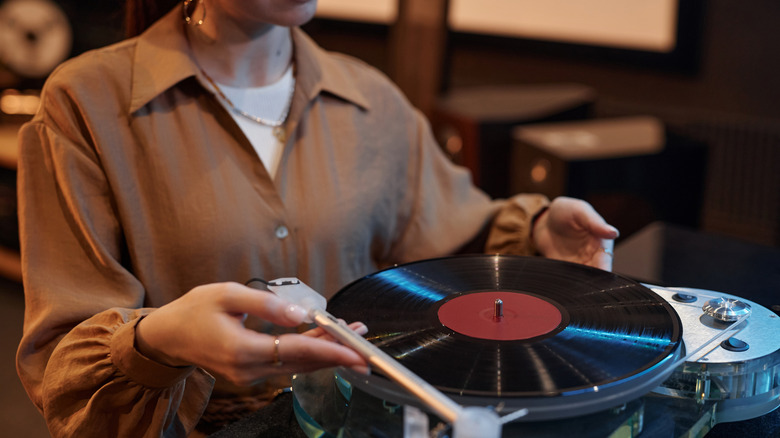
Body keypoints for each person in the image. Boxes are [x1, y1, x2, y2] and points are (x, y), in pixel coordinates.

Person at [15, 0, 619, 436]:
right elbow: (65, 369)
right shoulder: (83, 103)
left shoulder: (374, 99)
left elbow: (454, 233)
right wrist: (162, 341)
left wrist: (536, 229)